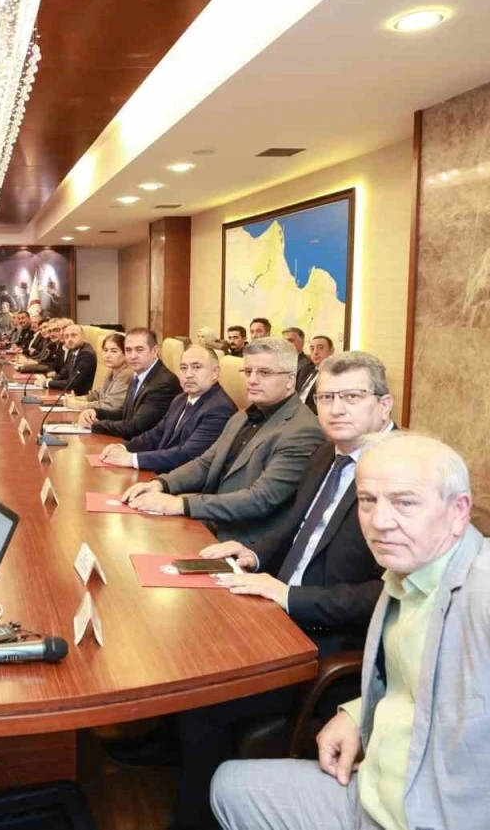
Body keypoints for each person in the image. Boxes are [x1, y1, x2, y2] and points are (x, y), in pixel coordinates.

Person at [210, 433, 490, 830]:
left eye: (405, 502)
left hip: (437, 812)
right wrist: (356, 714)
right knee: (229, 786)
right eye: (368, 500)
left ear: (459, 511)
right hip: (375, 789)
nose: (379, 521)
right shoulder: (409, 569)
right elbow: (420, 678)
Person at [171, 351, 395, 830]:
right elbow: (298, 528)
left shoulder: (401, 477)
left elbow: (386, 596)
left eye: (352, 397)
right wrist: (254, 553)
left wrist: (288, 597)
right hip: (276, 607)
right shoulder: (328, 453)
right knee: (184, 638)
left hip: (327, 639)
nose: (336, 408)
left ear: (384, 405)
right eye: (327, 397)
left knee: (202, 702)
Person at [122, 337, 323, 546]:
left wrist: (181, 504)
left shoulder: (303, 430)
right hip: (211, 521)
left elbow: (260, 499)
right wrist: (160, 484)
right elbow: (206, 463)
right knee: (133, 535)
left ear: (290, 380)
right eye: (248, 372)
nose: (252, 380)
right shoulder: (242, 416)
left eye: (264, 372)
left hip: (243, 542)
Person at [99, 346, 236, 473]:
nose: (188, 374)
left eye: (197, 367)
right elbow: (157, 434)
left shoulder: (220, 409)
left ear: (215, 372)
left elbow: (188, 456)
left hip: (183, 483)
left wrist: (132, 459)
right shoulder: (180, 399)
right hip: (159, 472)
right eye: (183, 368)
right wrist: (124, 447)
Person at [77, 328, 180, 439]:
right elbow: (125, 414)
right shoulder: (139, 375)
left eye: (139, 350)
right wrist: (96, 413)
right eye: (128, 350)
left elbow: (135, 427)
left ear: (154, 351)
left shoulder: (162, 383)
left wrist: (95, 425)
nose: (132, 356)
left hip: (148, 446)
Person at [65, 333, 133, 413]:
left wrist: (78, 404)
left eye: (114, 351)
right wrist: (76, 399)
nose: (107, 355)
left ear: (125, 354)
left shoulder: (127, 374)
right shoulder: (111, 371)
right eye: (105, 350)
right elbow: (97, 394)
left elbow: (111, 405)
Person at [39, 324, 96, 393]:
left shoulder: (86, 354)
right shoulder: (74, 350)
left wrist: (47, 383)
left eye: (73, 335)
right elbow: (63, 373)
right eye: (66, 336)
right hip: (69, 393)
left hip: (79, 396)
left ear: (83, 337)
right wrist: (49, 380)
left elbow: (72, 383)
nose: (69, 339)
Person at [283, 326, 316, 398]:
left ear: (302, 342)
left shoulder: (308, 365)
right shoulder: (278, 361)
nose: (286, 344)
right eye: (284, 342)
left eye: (290, 341)